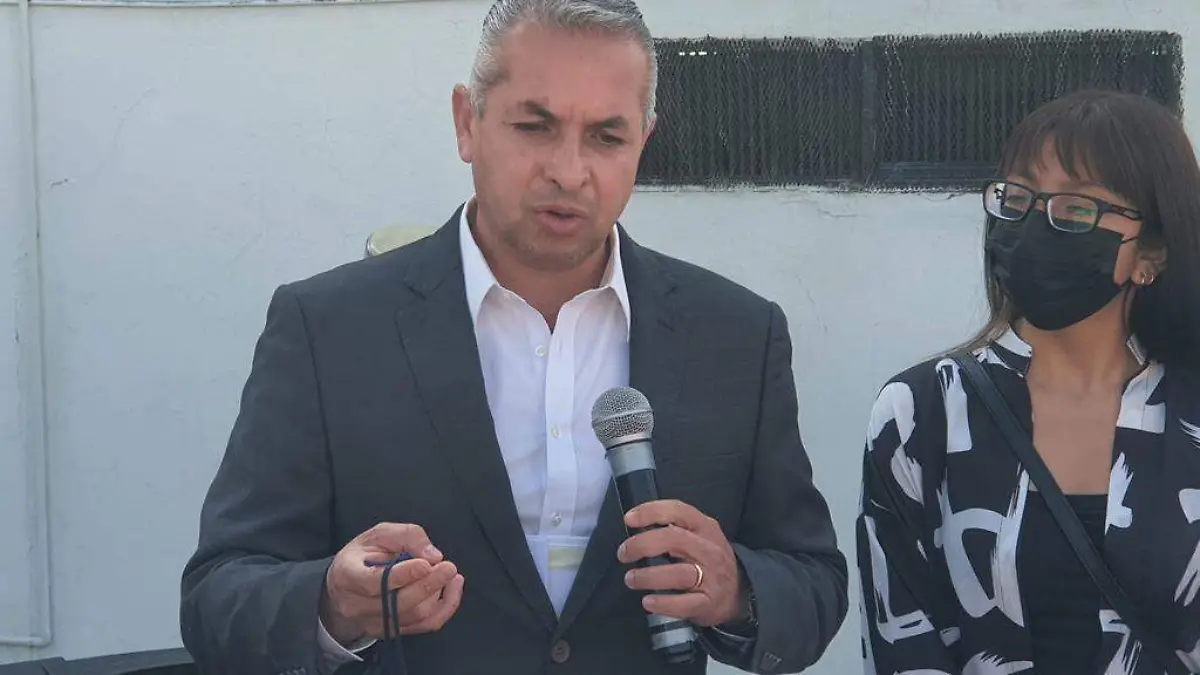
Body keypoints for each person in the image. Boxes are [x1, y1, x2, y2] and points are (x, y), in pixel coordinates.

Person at [179, 1, 848, 674]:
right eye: (536, 126)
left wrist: (737, 589)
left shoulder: (736, 335)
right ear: (466, 122)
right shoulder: (328, 329)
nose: (569, 171)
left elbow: (814, 581)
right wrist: (332, 602)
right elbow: (219, 597)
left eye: (606, 137)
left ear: (643, 142)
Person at [855, 88, 1200, 675]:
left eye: (1076, 209)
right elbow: (900, 638)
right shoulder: (921, 413)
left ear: (1153, 253)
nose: (1036, 223)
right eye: (1016, 198)